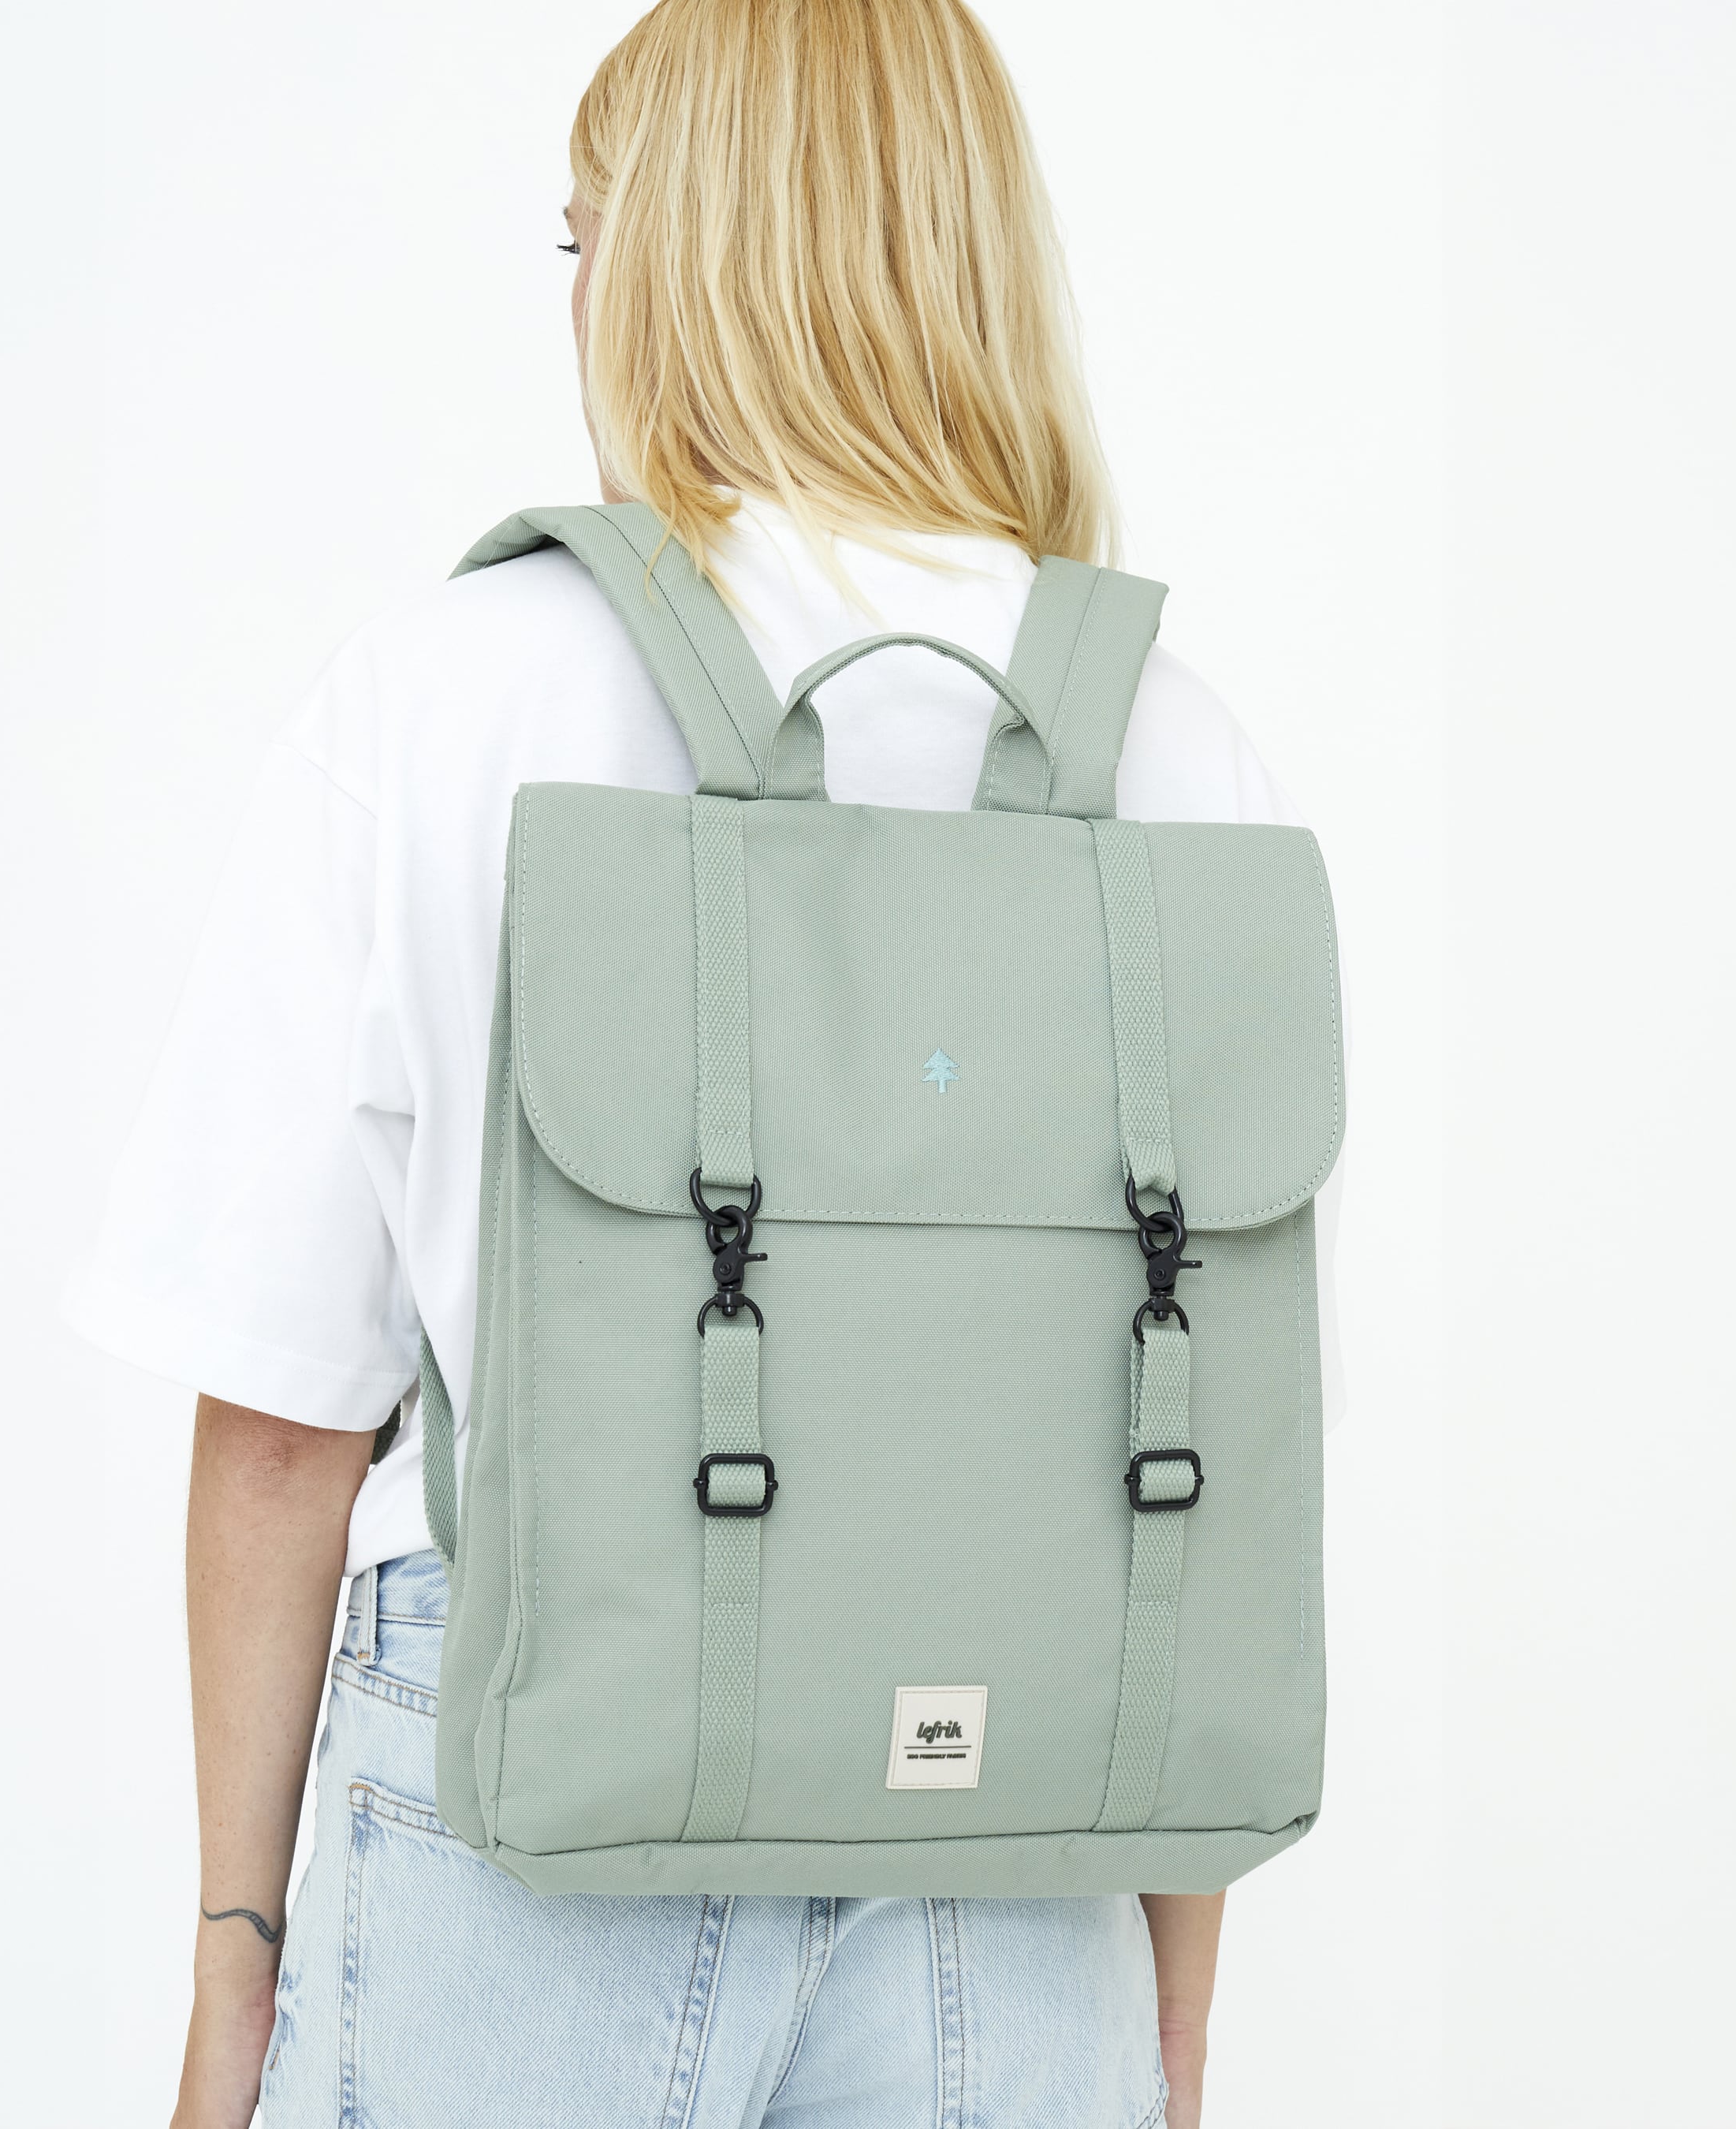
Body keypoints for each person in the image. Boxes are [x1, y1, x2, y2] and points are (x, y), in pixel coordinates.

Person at [71, 2, 1345, 2122]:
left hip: (532, 1802)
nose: (575, 304)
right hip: (1027, 1868)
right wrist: (1169, 2016)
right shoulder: (1172, 745)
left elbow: (287, 1424)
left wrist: (229, 1969)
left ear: (677, 264)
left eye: (584, 241)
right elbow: (1207, 1467)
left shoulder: (443, 700)